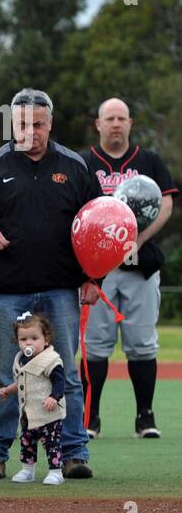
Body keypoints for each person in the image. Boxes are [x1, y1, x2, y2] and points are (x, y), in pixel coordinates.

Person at [0, 88, 102, 480]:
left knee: (65, 372)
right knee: (2, 373)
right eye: (21, 124)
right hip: (7, 289)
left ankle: (73, 452)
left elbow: (99, 220)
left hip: (60, 288)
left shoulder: (74, 166)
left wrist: (94, 277)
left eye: (37, 123)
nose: (29, 131)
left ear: (50, 123)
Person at [82, 97, 176, 439]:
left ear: (130, 123)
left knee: (142, 343)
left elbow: (166, 204)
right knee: (95, 344)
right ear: (99, 124)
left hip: (140, 266)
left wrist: (136, 240)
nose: (116, 124)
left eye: (122, 118)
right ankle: (90, 418)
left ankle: (145, 417)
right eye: (110, 118)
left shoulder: (148, 160)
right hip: (97, 270)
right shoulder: (84, 162)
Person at [0, 311, 68, 485]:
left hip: (49, 413)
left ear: (46, 339)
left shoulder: (50, 360)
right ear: (18, 341)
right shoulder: (21, 361)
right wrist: (9, 389)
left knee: (51, 443)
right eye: (23, 339)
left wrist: (55, 397)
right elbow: (22, 381)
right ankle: (27, 470)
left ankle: (56, 471)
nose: (28, 342)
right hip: (29, 414)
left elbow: (60, 381)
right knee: (27, 442)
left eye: (34, 338)